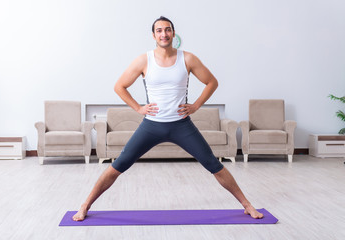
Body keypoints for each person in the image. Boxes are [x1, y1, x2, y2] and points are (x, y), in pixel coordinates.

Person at [73, 16, 264, 221]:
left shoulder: (188, 58)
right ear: (153, 35)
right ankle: (85, 205)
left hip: (182, 125)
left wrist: (196, 105)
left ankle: (247, 205)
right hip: (152, 126)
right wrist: (138, 107)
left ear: (173, 33)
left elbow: (211, 82)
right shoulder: (143, 60)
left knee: (213, 164)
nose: (164, 34)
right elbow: (119, 86)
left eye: (167, 30)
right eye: (159, 30)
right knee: (119, 164)